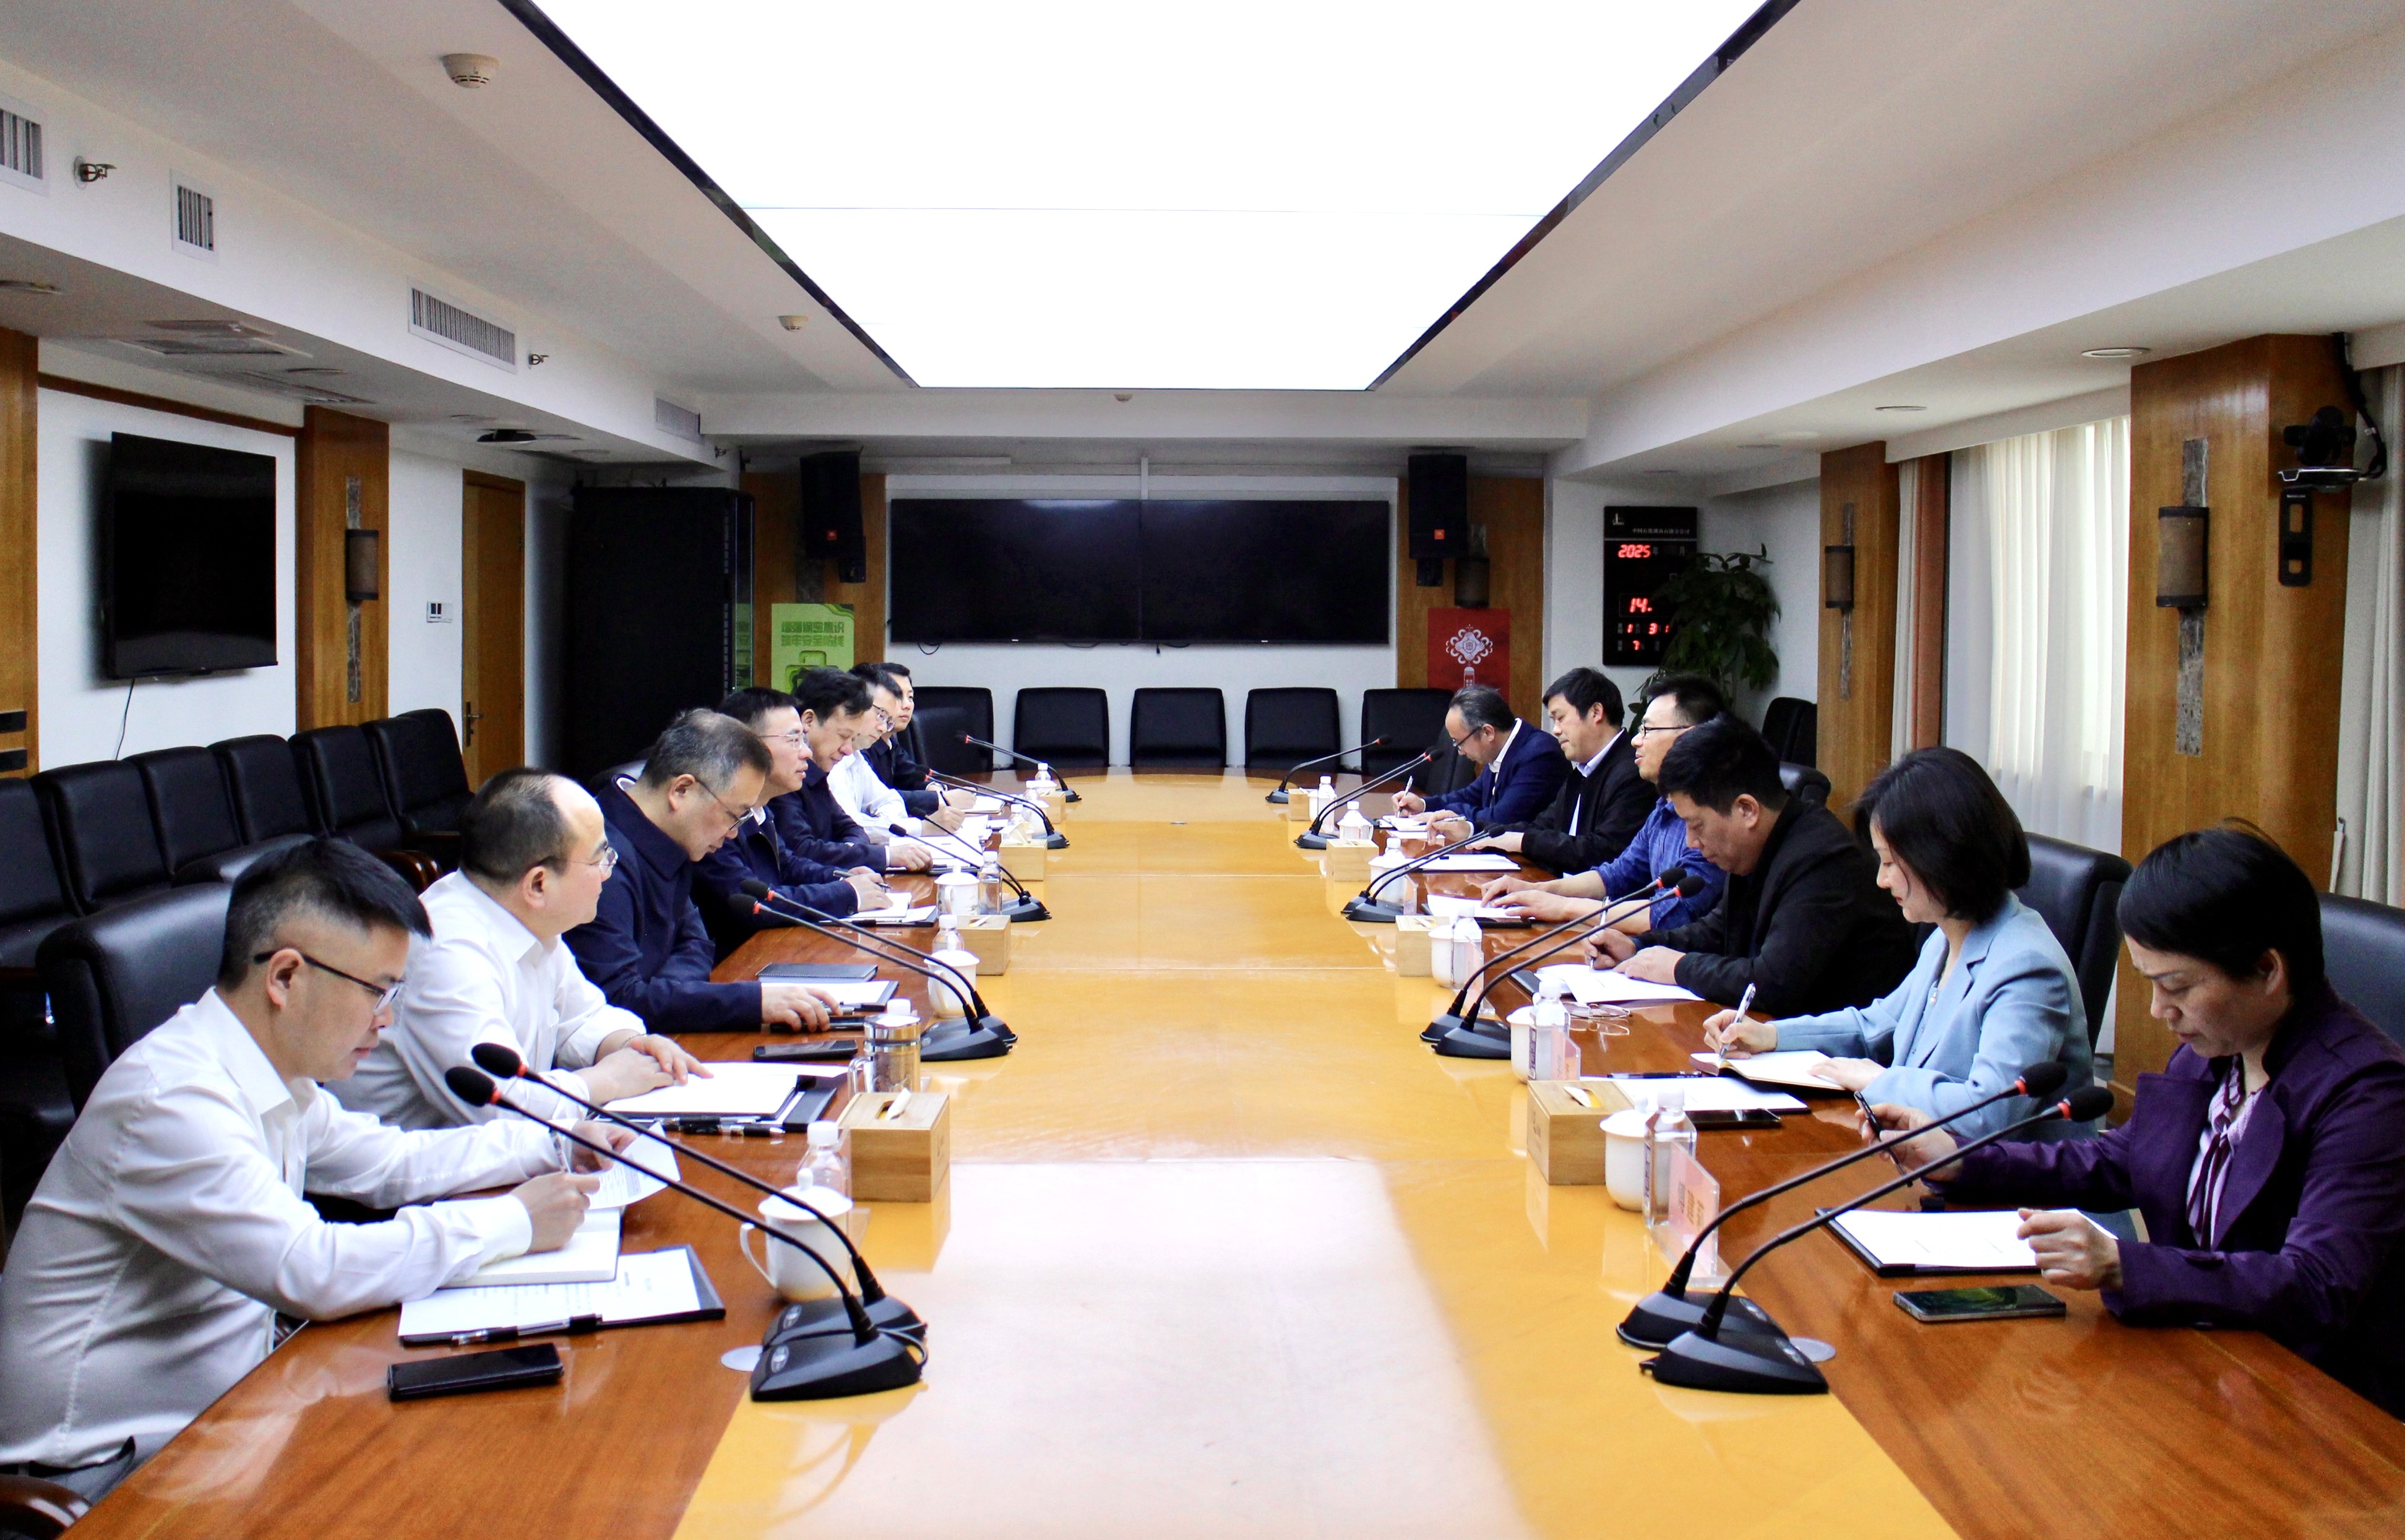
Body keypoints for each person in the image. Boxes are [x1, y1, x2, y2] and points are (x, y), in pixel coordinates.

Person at [0, 841, 624, 1495]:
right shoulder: (172, 1100)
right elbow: (312, 1267)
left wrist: (553, 1144)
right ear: (285, 977)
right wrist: (513, 1221)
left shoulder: (269, 1070)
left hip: (234, 1415)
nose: (386, 1019)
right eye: (378, 991)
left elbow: (389, 1159)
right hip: (100, 1471)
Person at [1872, 827, 2405, 1417]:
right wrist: (1961, 1158)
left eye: (2175, 985)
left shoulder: (2367, 1094)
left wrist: (2125, 1264)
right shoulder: (2221, 1047)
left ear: (2266, 969)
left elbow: (2315, 1285)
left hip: (2313, 1408)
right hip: (2199, 1364)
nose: (2157, 1010)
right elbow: (2125, 1157)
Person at [1700, 747, 2093, 1139]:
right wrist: (1770, 1036)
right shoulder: (1946, 936)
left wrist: (1880, 1081)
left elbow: (1991, 1112)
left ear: (1941, 857)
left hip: (2004, 1177)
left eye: (1889, 863)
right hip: (1925, 1156)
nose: (1881, 881)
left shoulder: (2027, 966)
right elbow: (1877, 1025)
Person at [336, 768, 709, 1129]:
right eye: (600, 859)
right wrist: (606, 1081)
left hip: (500, 1155)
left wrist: (631, 1045)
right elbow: (504, 1105)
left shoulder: (526, 916)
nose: (608, 873)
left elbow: (583, 1018)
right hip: (417, 1165)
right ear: (538, 884)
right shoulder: (449, 953)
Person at [1588, 715, 1917, 1013]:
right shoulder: (1759, 845)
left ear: (1747, 810)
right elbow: (1717, 932)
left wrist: (1678, 968)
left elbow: (1773, 983)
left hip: (1837, 1053)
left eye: (1697, 825)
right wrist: (1638, 946)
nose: (1691, 842)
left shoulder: (1823, 861)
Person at [566, 710, 835, 1032]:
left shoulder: (670, 836)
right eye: (734, 815)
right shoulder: (599, 859)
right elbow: (617, 1000)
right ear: (681, 790)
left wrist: (670, 994)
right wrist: (754, 1002)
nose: (734, 834)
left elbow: (696, 943)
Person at [1484, 674, 1728, 934]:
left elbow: (1671, 913)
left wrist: (1564, 907)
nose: (1636, 740)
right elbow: (1617, 875)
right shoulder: (1663, 807)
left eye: (1647, 730)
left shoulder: (1715, 814)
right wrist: (1538, 890)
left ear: (1690, 737)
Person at [697, 687, 890, 959]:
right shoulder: (715, 820)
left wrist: (841, 877)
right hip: (739, 964)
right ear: (744, 746)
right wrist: (847, 894)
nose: (807, 753)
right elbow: (754, 904)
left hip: (770, 953)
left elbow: (788, 865)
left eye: (804, 740)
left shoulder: (761, 810)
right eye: (794, 740)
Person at [1456, 667, 1652, 874]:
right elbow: (1541, 826)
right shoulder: (1582, 772)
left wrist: (1523, 842)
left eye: (1561, 718)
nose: (1556, 730)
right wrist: (1472, 830)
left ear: (1596, 713)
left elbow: (1603, 851)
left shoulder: (1634, 773)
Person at [770, 668, 932, 874]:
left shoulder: (817, 772)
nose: (848, 750)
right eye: (843, 736)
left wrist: (851, 852)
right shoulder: (783, 778)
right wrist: (881, 856)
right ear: (809, 721)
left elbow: (851, 827)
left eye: (852, 738)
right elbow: (802, 850)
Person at [1392, 684, 1567, 832]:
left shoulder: (1540, 756)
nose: (1460, 752)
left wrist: (1450, 816)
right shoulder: (1502, 748)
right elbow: (1471, 795)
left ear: (1488, 732)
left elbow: (1502, 819)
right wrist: (1424, 805)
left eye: (1459, 743)